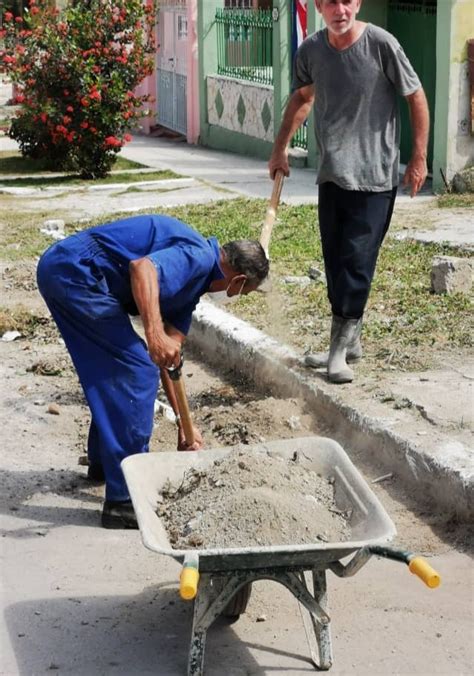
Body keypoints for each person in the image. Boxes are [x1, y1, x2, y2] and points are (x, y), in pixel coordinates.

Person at [37, 214, 269, 528]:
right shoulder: (199, 256)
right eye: (241, 293)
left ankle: (105, 463)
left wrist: (186, 426)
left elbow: (170, 360)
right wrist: (154, 333)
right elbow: (142, 269)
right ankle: (124, 500)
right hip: (75, 271)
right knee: (135, 370)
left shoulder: (192, 291)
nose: (234, 297)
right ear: (238, 281)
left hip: (75, 275)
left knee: (118, 368)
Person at [269, 0, 429, 384]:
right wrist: (280, 148)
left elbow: (416, 97)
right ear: (319, 7)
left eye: (347, 0)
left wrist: (419, 158)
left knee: (357, 260)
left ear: (356, 3)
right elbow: (302, 99)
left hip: (376, 177)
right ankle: (347, 341)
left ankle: (338, 351)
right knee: (336, 261)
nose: (340, 9)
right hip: (333, 174)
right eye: (330, 2)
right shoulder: (310, 51)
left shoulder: (382, 44)